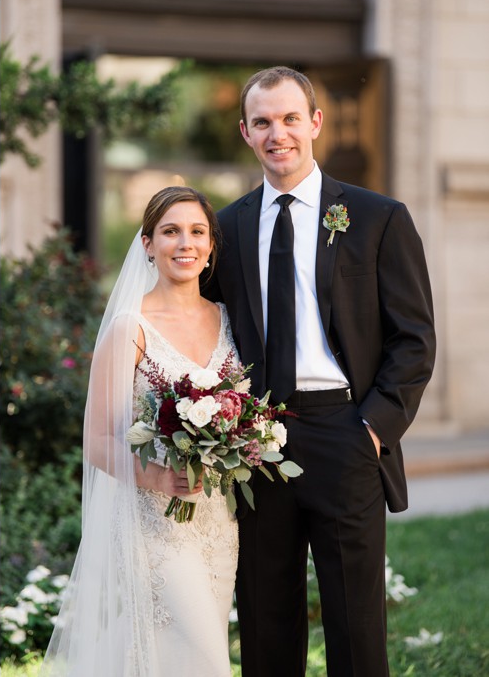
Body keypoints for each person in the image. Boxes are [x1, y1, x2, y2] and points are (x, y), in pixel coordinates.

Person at [208, 66, 436, 675]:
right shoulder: (225, 230)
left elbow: (414, 340)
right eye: (263, 122)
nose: (277, 133)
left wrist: (374, 427)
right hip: (257, 442)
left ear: (314, 122)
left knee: (356, 625)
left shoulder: (377, 216)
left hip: (345, 430)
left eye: (289, 118)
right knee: (264, 619)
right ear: (246, 133)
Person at [42, 186, 238, 676]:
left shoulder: (231, 320)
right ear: (148, 243)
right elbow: (98, 440)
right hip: (156, 524)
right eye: (170, 231)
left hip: (220, 522)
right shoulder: (130, 327)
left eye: (196, 231)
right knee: (201, 655)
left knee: (182, 648)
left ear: (211, 244)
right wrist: (158, 478)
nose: (184, 243)